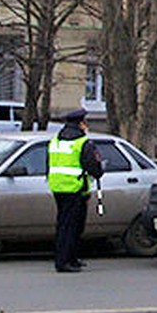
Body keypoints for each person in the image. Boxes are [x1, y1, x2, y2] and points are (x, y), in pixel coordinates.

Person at [47, 107, 104, 272]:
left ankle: (71, 258)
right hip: (75, 189)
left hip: (58, 187)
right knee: (72, 227)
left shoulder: (56, 141)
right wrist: (99, 171)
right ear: (80, 124)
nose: (86, 125)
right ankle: (64, 261)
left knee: (65, 225)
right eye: (85, 122)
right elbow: (93, 166)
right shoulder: (82, 142)